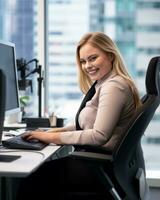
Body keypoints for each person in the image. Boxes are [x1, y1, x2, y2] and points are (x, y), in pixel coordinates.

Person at [16, 32, 142, 200]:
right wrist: (51, 133)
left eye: (93, 58)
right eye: (83, 61)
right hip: (102, 163)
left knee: (30, 178)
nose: (87, 66)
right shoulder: (104, 83)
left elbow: (98, 136)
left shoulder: (114, 87)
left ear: (111, 55)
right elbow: (86, 124)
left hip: (102, 168)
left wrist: (51, 137)